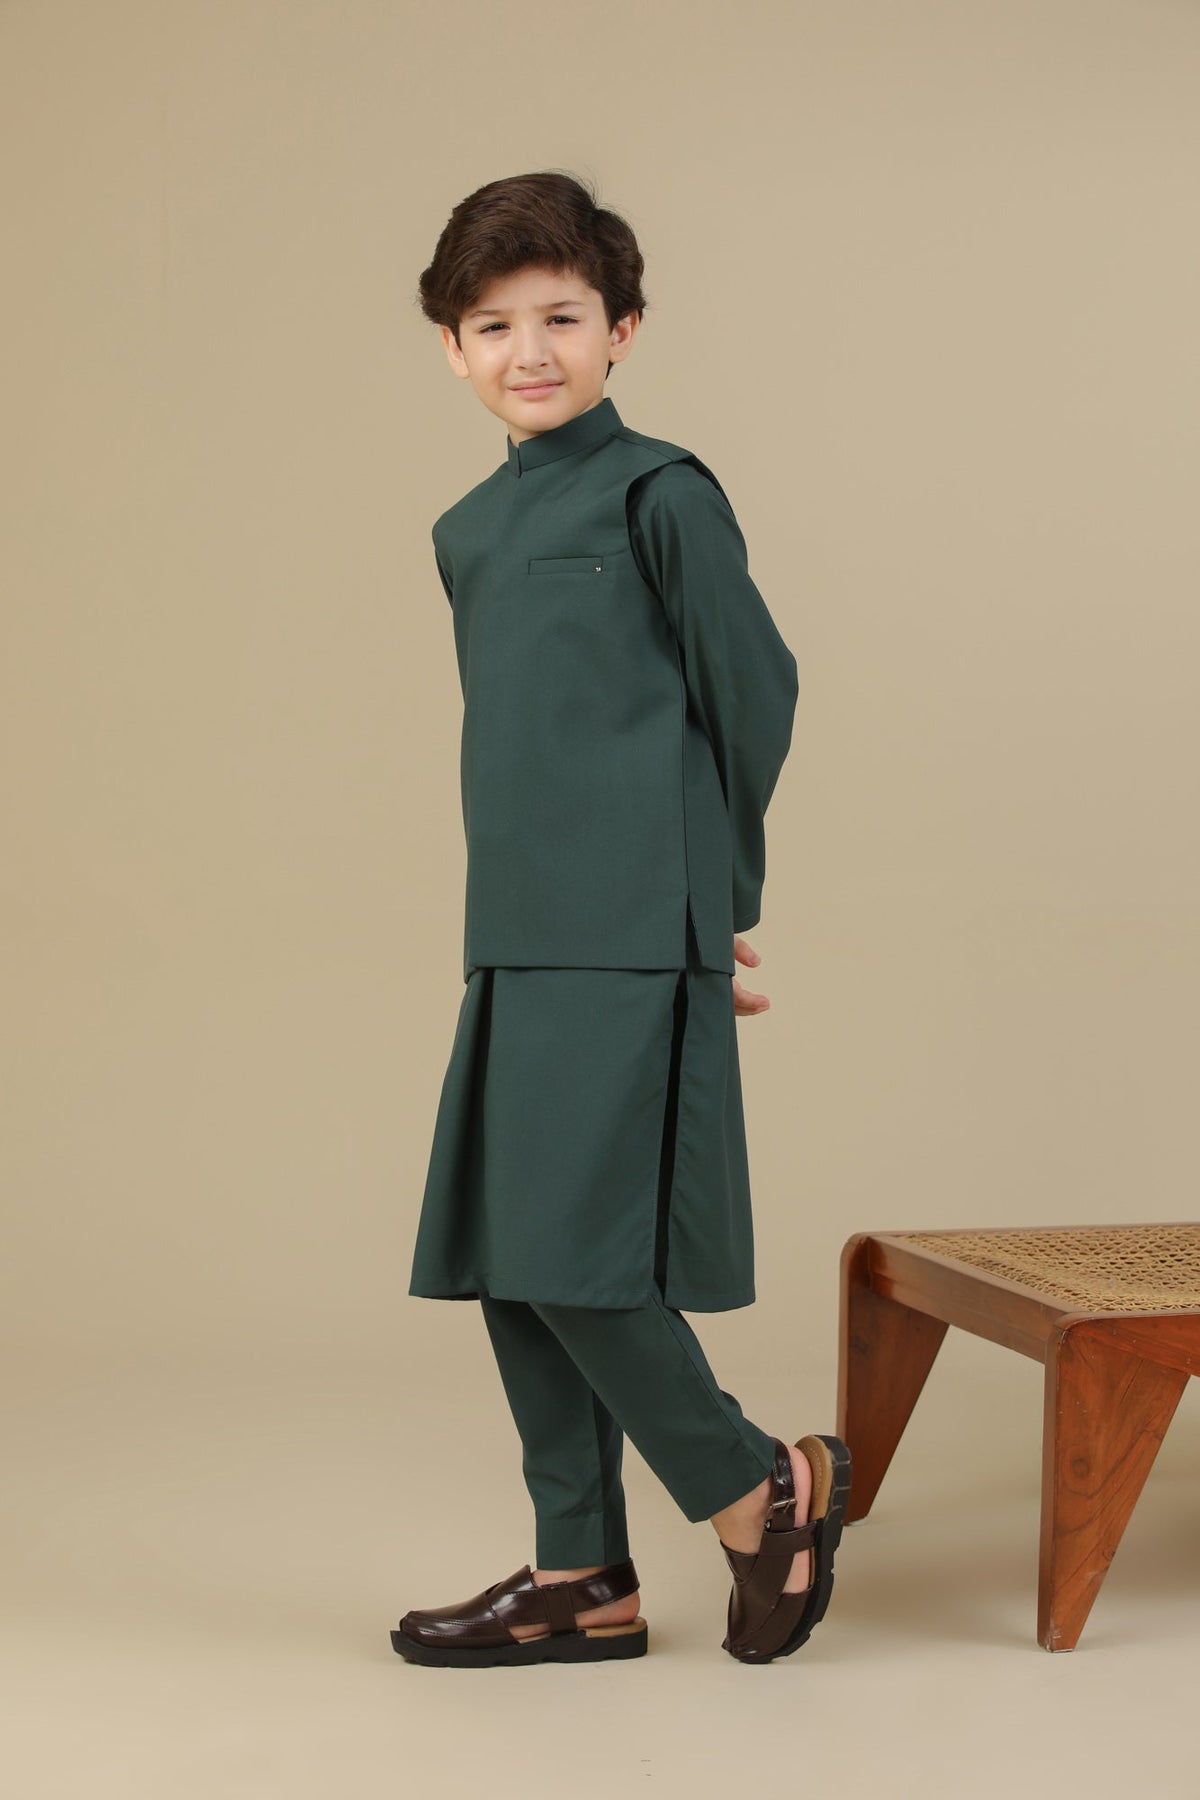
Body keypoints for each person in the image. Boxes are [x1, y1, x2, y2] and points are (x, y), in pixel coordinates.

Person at [391, 170, 850, 1668]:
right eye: (494, 324)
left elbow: (754, 695)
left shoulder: (662, 494)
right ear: (450, 348)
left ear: (622, 330)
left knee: (578, 1256)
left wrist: (711, 909)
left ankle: (757, 1488)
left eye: (563, 318)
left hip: (630, 932)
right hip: (513, 934)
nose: (530, 351)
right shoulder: (467, 529)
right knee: (514, 1255)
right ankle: (581, 1575)